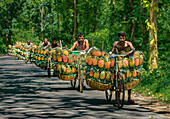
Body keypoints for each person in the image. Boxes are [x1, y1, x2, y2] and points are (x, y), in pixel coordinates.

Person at [110, 31, 135, 104]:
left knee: (129, 77)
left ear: (125, 38)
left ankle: (129, 97)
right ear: (118, 38)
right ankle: (117, 95)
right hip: (118, 60)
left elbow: (133, 49)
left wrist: (129, 53)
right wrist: (111, 54)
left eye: (123, 38)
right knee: (115, 75)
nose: (122, 40)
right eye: (120, 38)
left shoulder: (128, 43)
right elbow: (112, 51)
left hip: (126, 61)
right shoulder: (115, 44)